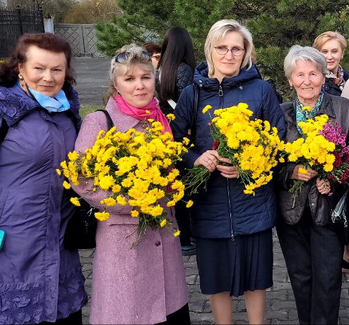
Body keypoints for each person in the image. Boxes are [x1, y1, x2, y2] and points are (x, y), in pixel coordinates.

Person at [0, 33, 87, 324]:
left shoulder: (65, 110)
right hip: (7, 244)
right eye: (39, 68)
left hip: (57, 239)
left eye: (57, 69)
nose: (48, 77)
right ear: (20, 68)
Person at [171, 19, 286, 325]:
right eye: (222, 47)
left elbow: (279, 140)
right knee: (215, 278)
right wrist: (196, 158)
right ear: (210, 49)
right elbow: (173, 143)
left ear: (246, 51)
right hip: (210, 205)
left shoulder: (261, 90)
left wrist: (249, 163)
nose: (229, 55)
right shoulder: (192, 94)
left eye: (237, 48)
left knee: (256, 278)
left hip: (253, 203)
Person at [72, 44, 190, 325]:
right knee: (129, 314)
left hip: (163, 238)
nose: (140, 86)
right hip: (125, 243)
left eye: (145, 77)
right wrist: (133, 201)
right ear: (116, 85)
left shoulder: (160, 120)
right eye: (130, 79)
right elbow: (80, 178)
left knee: (169, 311)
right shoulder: (100, 122)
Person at [275, 45, 349, 324]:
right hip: (291, 209)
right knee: (300, 278)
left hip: (327, 208)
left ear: (325, 75)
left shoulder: (344, 109)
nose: (307, 81)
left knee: (328, 279)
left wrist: (332, 178)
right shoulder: (279, 114)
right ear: (290, 80)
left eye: (313, 73)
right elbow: (268, 163)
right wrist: (291, 172)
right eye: (299, 75)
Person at [156, 26, 197, 255]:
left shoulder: (161, 68)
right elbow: (187, 102)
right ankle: (187, 237)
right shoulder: (184, 69)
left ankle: (181, 236)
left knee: (175, 182)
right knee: (187, 184)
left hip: (166, 128)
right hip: (183, 131)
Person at [313, 31, 349, 96]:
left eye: (334, 51)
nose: (330, 57)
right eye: (325, 52)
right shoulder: (313, 82)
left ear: (342, 53)